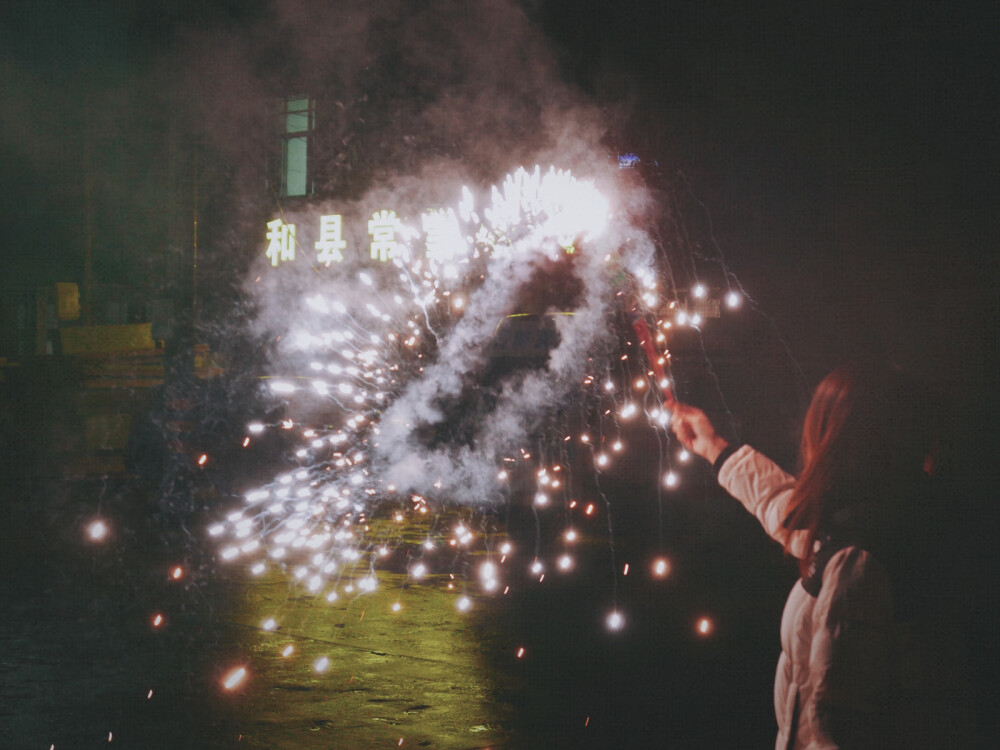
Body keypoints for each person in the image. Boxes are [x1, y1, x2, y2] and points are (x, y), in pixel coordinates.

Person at [670, 362, 977, 749]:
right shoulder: (881, 520)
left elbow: (838, 731)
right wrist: (714, 448)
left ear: (844, 440)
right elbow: (788, 514)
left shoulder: (859, 562)